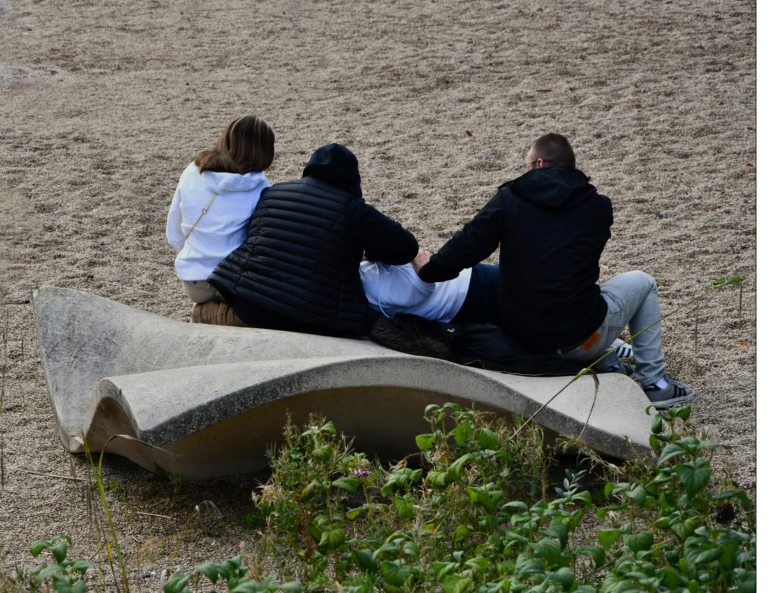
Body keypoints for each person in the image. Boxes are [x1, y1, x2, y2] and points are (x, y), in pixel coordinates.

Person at [414, 133, 693, 406]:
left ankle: (617, 367)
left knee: (536, 277)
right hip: (581, 340)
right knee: (640, 282)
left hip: (523, 339)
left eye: (525, 165)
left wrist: (428, 270)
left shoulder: (509, 200)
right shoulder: (598, 207)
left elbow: (464, 248)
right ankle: (655, 382)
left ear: (539, 164)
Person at [199, 143, 419, 337]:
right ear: (353, 179)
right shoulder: (353, 210)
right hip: (320, 324)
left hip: (253, 312)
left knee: (200, 313)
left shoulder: (272, 194)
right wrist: (370, 250)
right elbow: (407, 248)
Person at [166, 115, 275, 303]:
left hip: (194, 281)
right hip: (235, 282)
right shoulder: (260, 185)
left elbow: (174, 232)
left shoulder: (193, 171)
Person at [360, 257, 501, 326]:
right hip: (466, 291)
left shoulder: (364, 281)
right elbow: (424, 286)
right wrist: (419, 260)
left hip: (460, 298)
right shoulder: (369, 279)